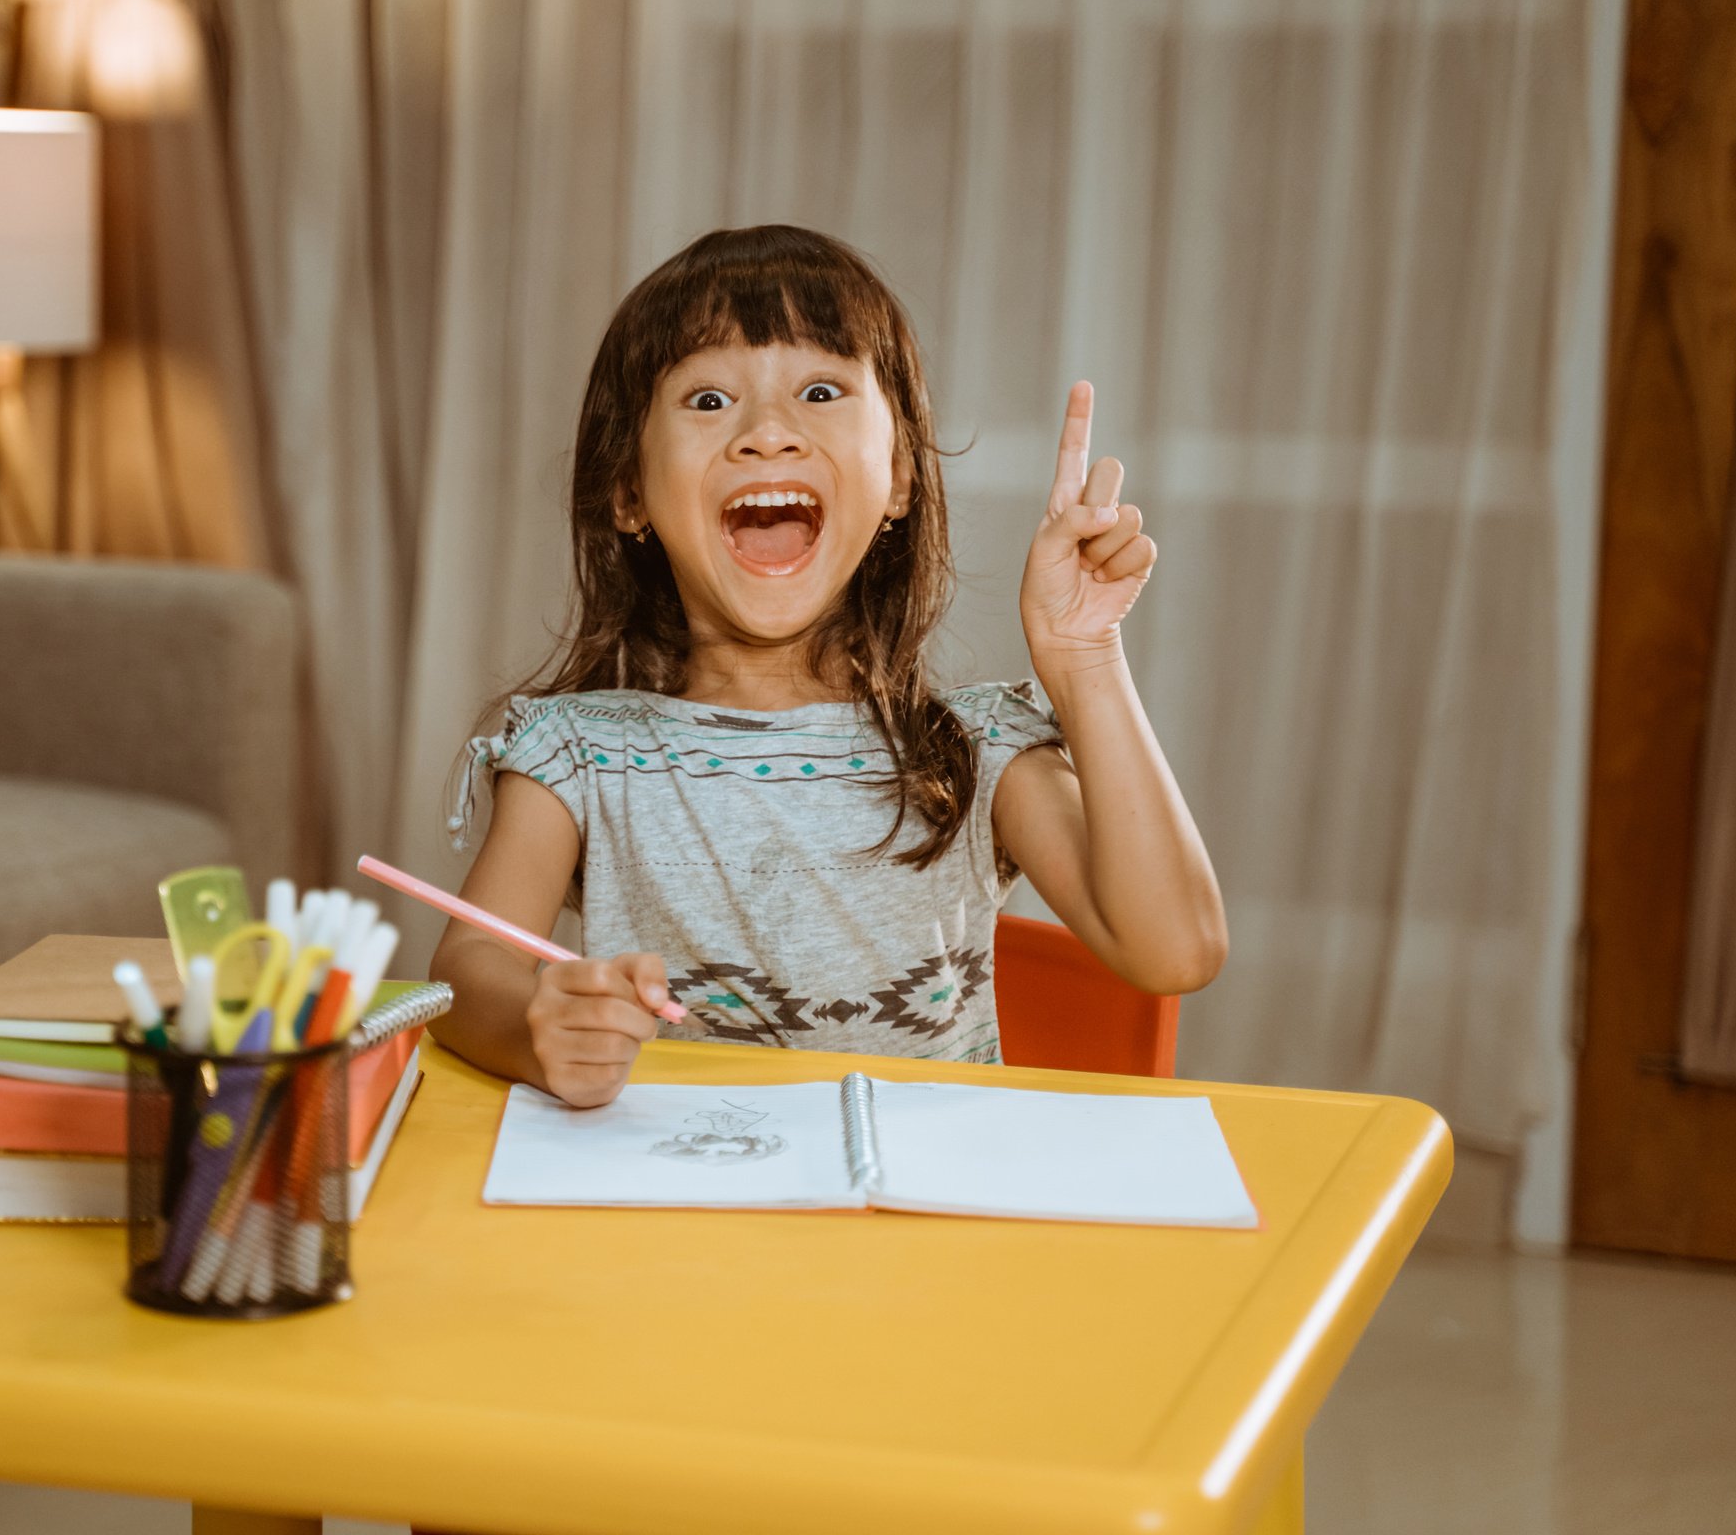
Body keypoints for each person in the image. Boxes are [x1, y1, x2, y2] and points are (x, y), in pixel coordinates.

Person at [429, 224, 1226, 1108]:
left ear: (898, 480)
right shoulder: (574, 755)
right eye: (707, 401)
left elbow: (1176, 950)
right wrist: (539, 1021)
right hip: (681, 1223)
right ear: (628, 492)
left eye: (819, 390)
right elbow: (468, 971)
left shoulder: (979, 748)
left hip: (919, 1232)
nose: (768, 434)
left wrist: (1085, 658)